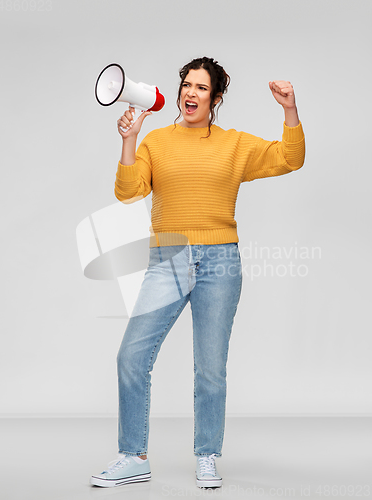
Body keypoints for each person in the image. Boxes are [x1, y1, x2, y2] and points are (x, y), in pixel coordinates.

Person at [90, 56, 305, 489]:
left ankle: (207, 456)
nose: (191, 93)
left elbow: (289, 158)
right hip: (168, 257)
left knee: (210, 368)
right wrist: (130, 140)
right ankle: (133, 456)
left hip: (220, 260)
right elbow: (128, 192)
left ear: (216, 97)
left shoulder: (235, 144)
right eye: (187, 84)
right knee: (132, 356)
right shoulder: (156, 141)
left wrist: (289, 109)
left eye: (201, 88)